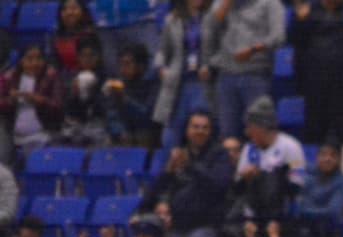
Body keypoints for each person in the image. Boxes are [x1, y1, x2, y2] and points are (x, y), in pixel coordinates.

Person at [288, 0, 343, 145]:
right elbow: (295, 41)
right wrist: (300, 21)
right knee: (315, 130)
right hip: (315, 83)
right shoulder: (308, 11)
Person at [203, 0, 286, 141]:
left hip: (255, 74)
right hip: (226, 75)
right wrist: (225, 5)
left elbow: (278, 37)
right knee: (227, 133)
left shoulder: (271, 3)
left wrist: (253, 49)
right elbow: (209, 28)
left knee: (258, 130)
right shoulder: (223, 3)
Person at [232, 96, 307, 227]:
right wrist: (246, 178)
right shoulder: (249, 148)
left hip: (281, 214)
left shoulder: (291, 146)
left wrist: (268, 176)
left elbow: (297, 183)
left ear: (262, 127)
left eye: (250, 127)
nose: (247, 132)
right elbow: (237, 186)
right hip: (252, 215)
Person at [153, 0, 215, 150]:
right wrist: (161, 66)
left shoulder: (213, 17)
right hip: (178, 82)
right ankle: (169, 168)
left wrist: (211, 66)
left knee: (202, 128)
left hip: (203, 82)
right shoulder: (172, 19)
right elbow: (162, 51)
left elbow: (222, 50)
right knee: (171, 132)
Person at [0, 45, 65, 163]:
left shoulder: (51, 76)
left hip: (44, 134)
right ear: (21, 61)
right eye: (29, 59)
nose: (35, 63)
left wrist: (38, 100)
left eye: (39, 58)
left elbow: (58, 106)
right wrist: (11, 99)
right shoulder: (9, 77)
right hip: (12, 135)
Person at [104, 41, 159, 147]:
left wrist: (125, 99)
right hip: (125, 132)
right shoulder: (119, 84)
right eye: (120, 64)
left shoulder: (153, 85)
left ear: (141, 66)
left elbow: (148, 117)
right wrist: (120, 131)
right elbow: (111, 114)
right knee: (109, 139)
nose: (122, 69)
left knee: (144, 136)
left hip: (146, 131)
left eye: (127, 64)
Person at [59, 36, 110, 147]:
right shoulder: (71, 78)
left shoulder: (107, 79)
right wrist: (74, 95)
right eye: (83, 56)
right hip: (76, 127)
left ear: (99, 56)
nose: (87, 59)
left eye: (91, 55)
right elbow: (68, 111)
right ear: (78, 57)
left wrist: (93, 94)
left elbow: (105, 110)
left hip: (98, 126)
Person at [296, 140, 343, 237]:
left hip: (327, 231)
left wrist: (303, 210)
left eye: (333, 155)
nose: (327, 159)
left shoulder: (341, 182)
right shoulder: (308, 174)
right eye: (323, 154)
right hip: (301, 227)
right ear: (317, 157)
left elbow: (333, 212)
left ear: (339, 159)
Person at [50, 0, 99, 73]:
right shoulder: (56, 35)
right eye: (64, 9)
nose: (69, 12)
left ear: (83, 11)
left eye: (74, 8)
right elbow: (54, 63)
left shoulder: (92, 34)